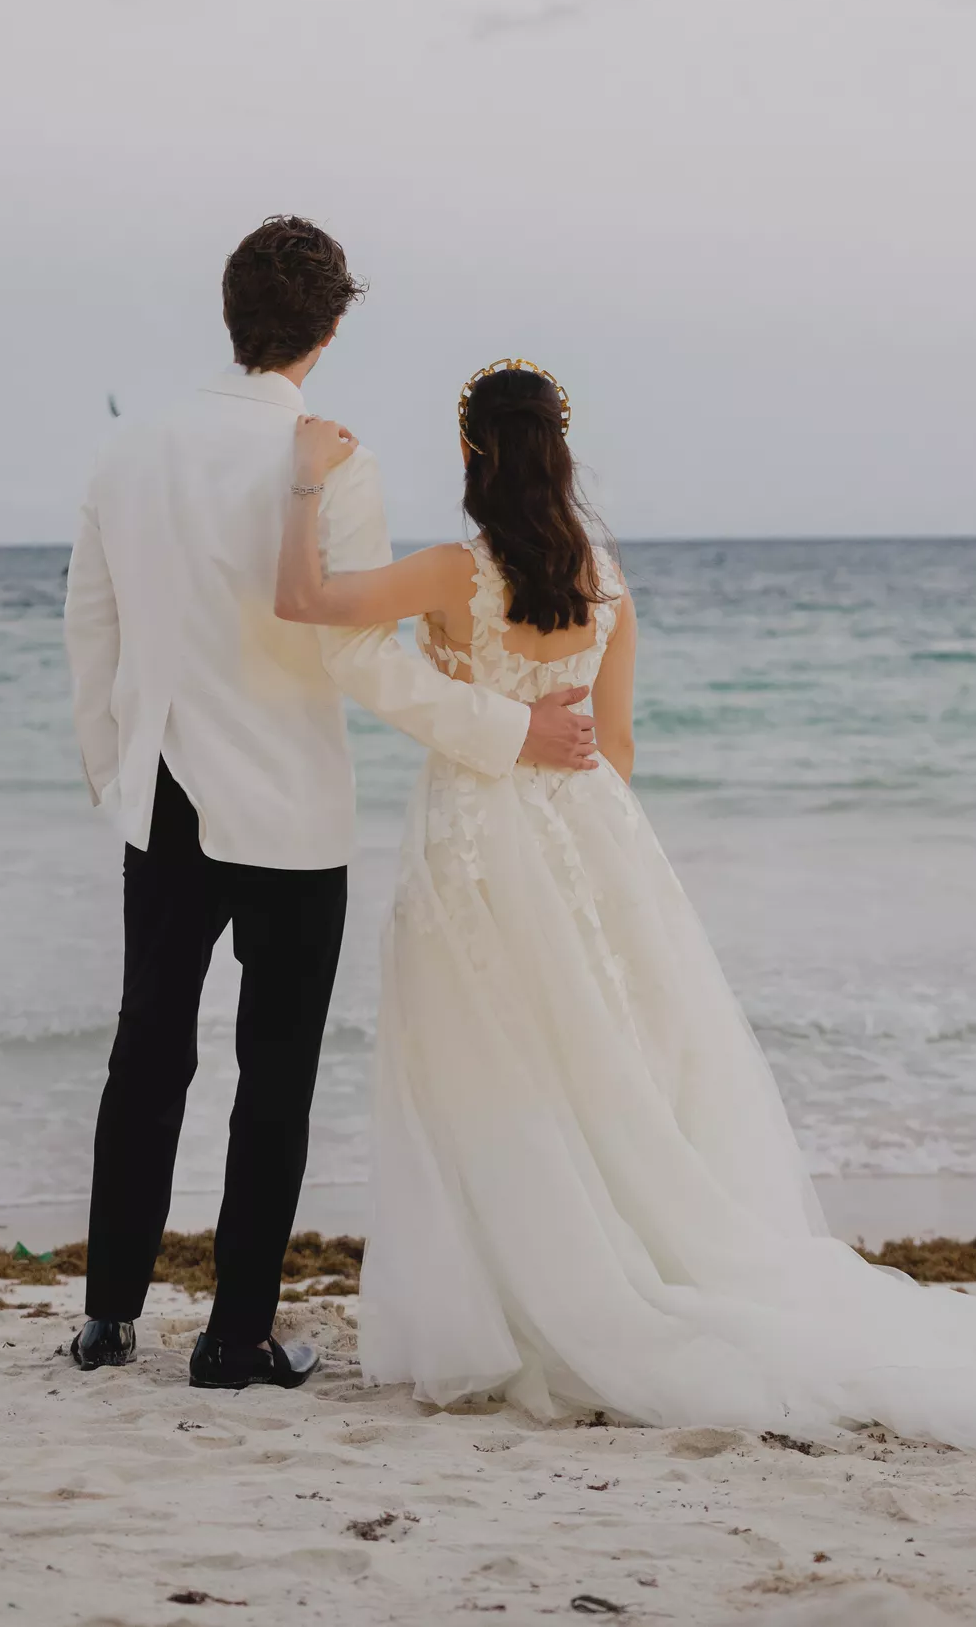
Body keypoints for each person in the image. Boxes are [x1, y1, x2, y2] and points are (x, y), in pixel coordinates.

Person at [274, 360, 976, 1463]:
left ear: (472, 456)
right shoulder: (603, 579)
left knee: (486, 1072)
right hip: (596, 842)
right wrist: (582, 844)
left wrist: (307, 485)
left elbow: (305, 602)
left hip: (480, 847)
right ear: (560, 456)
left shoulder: (459, 570)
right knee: (606, 1067)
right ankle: (597, 1266)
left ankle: (517, 1306)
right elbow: (623, 749)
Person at [62, 224, 596, 1391]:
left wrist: (116, 777)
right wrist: (511, 732)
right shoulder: (332, 459)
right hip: (290, 809)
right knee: (275, 1073)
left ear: (228, 311)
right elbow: (359, 659)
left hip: (160, 801)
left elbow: (89, 630)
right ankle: (234, 1338)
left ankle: (106, 1322)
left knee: (144, 1058)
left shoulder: (127, 450)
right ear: (331, 326)